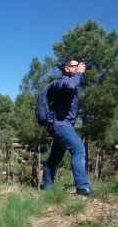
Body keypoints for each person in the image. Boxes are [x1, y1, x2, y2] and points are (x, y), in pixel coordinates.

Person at [35, 59, 91, 195]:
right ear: (66, 68)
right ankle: (83, 187)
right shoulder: (60, 82)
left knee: (54, 159)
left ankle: (48, 189)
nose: (79, 68)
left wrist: (78, 72)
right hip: (60, 125)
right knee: (78, 149)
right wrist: (79, 73)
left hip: (62, 125)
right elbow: (71, 85)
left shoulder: (67, 82)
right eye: (75, 66)